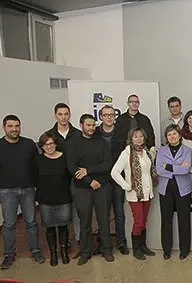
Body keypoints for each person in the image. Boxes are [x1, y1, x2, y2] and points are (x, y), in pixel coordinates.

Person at [0, 115, 45, 269]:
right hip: (7, 192)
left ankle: (35, 250)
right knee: (9, 224)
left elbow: (37, 166)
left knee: (31, 222)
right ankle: (9, 255)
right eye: (10, 126)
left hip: (28, 190)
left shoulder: (29, 144)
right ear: (4, 127)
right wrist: (2, 184)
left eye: (17, 126)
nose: (14, 129)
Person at [66, 114, 114, 265]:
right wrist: (89, 180)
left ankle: (106, 250)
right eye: (88, 125)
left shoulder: (101, 142)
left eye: (93, 125)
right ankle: (86, 252)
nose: (91, 128)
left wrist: (88, 170)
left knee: (104, 220)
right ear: (81, 125)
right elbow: (72, 168)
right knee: (85, 221)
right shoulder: (73, 143)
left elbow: (108, 163)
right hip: (82, 188)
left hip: (102, 186)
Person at [111, 128, 157, 260]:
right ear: (131, 138)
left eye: (141, 136)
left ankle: (143, 246)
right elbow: (114, 172)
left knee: (144, 221)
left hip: (147, 193)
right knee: (138, 222)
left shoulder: (147, 152)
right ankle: (136, 249)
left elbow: (149, 169)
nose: (139, 139)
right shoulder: (126, 153)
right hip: (135, 194)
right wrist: (126, 186)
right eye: (136, 136)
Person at [43, 103, 81, 250]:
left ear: (69, 115)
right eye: (60, 114)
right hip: (58, 180)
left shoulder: (77, 134)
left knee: (78, 210)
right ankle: (64, 242)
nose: (63, 117)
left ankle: (79, 238)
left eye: (66, 114)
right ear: (55, 115)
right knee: (60, 212)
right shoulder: (50, 135)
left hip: (75, 178)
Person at [156, 124, 192, 260]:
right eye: (169, 134)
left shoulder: (187, 151)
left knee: (184, 220)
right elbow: (159, 170)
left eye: (174, 134)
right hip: (165, 189)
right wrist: (176, 168)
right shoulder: (161, 151)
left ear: (179, 135)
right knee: (166, 220)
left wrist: (168, 166)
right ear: (166, 137)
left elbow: (185, 170)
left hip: (183, 189)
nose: (172, 137)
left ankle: (184, 249)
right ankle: (166, 249)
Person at [95, 105, 129, 256]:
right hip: (101, 180)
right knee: (103, 214)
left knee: (119, 212)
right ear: (100, 117)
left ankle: (121, 242)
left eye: (111, 114)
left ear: (115, 116)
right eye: (105, 115)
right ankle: (103, 243)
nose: (109, 117)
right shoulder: (95, 134)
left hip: (118, 179)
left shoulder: (122, 133)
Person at [35, 133, 73, 266]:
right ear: (42, 146)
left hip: (63, 197)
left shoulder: (64, 158)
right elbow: (34, 178)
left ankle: (63, 252)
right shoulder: (38, 160)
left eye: (52, 143)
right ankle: (53, 254)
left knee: (63, 226)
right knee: (49, 228)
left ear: (56, 144)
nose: (49, 147)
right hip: (45, 199)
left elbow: (69, 177)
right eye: (46, 144)